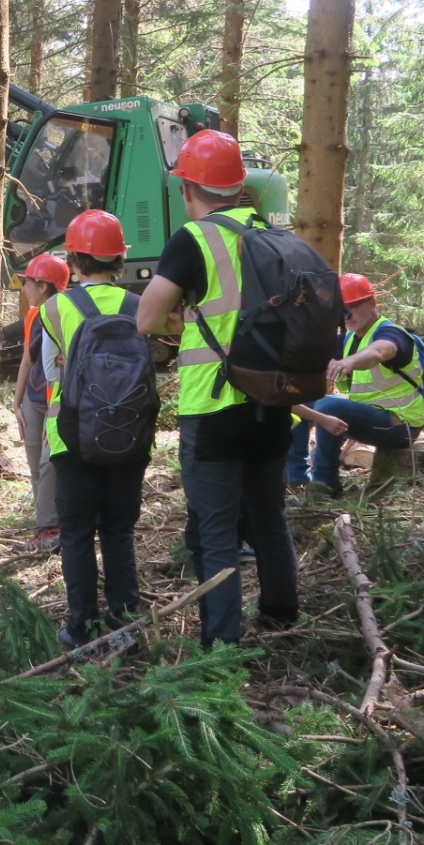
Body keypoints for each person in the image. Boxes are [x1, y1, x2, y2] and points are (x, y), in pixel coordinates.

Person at [134, 130, 299, 649]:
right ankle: (280, 615)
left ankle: (220, 646)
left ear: (188, 188)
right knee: (269, 518)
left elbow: (144, 317)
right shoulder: (273, 233)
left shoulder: (194, 239)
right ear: (238, 187)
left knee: (217, 532)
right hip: (272, 404)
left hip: (213, 408)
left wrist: (178, 324)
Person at [36, 212, 152, 648]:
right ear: (119, 258)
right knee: (119, 532)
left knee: (78, 534)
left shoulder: (54, 307)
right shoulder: (138, 306)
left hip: (73, 437)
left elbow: (51, 371)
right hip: (129, 435)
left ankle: (80, 625)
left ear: (74, 258)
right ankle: (124, 623)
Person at [288, 274, 424, 495]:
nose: (347, 315)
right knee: (296, 398)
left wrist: (348, 363)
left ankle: (325, 484)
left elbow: (380, 351)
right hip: (370, 416)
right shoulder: (350, 338)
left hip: (400, 425)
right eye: (341, 309)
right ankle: (296, 479)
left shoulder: (391, 333)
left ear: (371, 303)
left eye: (353, 306)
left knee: (328, 406)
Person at [13, 253, 71, 553]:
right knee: (36, 463)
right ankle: (44, 528)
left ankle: (52, 527)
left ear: (44, 285)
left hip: (56, 402)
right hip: (33, 399)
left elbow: (59, 368)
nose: (24, 287)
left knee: (51, 464)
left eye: (28, 282)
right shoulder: (33, 315)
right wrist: (16, 399)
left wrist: (53, 412)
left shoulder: (66, 312)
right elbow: (27, 359)